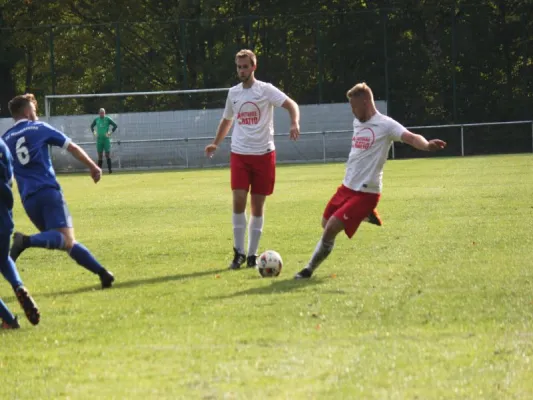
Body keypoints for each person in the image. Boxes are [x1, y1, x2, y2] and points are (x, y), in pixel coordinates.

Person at [294, 82, 447, 279]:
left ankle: (308, 270)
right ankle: (365, 215)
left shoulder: (386, 125)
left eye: (353, 106)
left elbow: (410, 137)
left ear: (365, 102)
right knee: (325, 223)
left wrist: (426, 145)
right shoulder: (358, 121)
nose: (352, 111)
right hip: (346, 187)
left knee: (331, 228)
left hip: (367, 193)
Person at [2, 94, 115, 289]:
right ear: (28, 112)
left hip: (28, 200)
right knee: (63, 238)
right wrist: (93, 166)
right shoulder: (40, 127)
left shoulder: (4, 140)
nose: (36, 115)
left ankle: (102, 273)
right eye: (35, 112)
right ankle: (24, 241)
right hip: (48, 191)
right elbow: (71, 147)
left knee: (65, 241)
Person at [205, 49, 300, 269]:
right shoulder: (234, 93)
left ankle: (251, 255)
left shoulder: (265, 90)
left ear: (253, 67)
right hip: (239, 154)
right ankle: (238, 253)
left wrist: (294, 122)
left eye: (245, 66)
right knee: (238, 200)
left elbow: (291, 104)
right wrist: (216, 143)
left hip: (264, 155)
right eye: (238, 67)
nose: (241, 70)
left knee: (257, 206)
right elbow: (227, 120)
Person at [0, 139, 39, 328]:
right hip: (4, 218)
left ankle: (8, 320)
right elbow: (10, 179)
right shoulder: (2, 146)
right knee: (3, 259)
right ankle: (18, 286)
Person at [90, 108, 117, 174]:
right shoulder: (96, 120)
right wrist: (95, 133)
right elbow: (91, 126)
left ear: (105, 113)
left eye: (103, 113)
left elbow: (115, 126)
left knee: (107, 155)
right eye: (101, 113)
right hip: (99, 140)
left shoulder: (108, 119)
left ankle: (110, 170)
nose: (102, 114)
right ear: (99, 113)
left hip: (106, 140)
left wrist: (109, 133)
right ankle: (99, 171)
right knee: (100, 155)